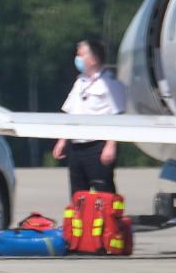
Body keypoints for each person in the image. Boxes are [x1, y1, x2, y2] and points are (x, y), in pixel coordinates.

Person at [52, 39, 127, 197]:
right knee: (78, 194)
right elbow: (70, 113)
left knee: (103, 192)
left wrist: (111, 145)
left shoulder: (110, 83)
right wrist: (62, 141)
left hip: (98, 146)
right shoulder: (80, 82)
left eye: (81, 54)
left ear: (93, 59)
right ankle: (82, 221)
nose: (77, 58)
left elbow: (118, 116)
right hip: (77, 147)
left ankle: (109, 221)